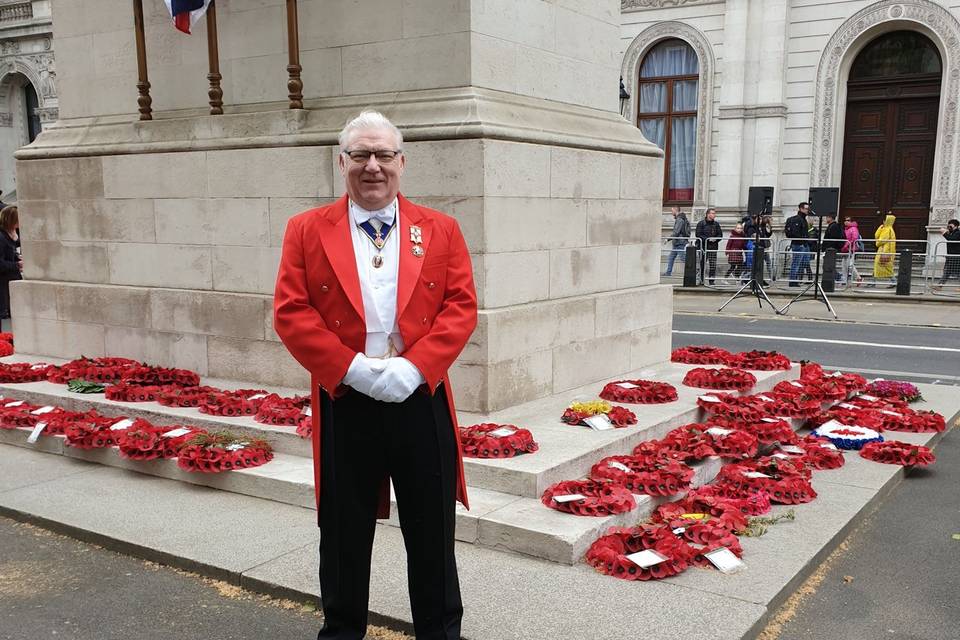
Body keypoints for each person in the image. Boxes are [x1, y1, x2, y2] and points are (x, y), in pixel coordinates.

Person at [273, 111, 477, 640]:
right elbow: (291, 312)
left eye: (383, 154)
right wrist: (354, 370)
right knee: (343, 535)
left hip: (418, 397)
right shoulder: (305, 229)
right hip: (346, 400)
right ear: (341, 162)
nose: (372, 166)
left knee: (432, 533)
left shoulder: (441, 229)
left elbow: (461, 307)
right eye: (360, 155)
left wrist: (415, 368)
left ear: (401, 162)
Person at [0, 205, 22, 324]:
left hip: (12, 278)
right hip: (4, 284)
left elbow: (10, 253)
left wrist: (16, 258)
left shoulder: (11, 232)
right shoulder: (1, 238)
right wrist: (17, 264)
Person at [785, 202, 812, 286]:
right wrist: (803, 240)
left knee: (803, 262)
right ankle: (793, 281)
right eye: (806, 209)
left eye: (808, 209)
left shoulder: (803, 219)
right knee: (796, 263)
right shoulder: (798, 219)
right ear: (801, 209)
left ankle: (796, 279)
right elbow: (796, 233)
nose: (808, 210)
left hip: (803, 244)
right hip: (798, 244)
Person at [695, 208, 722, 285]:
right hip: (703, 247)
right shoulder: (701, 223)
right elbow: (698, 234)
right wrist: (708, 239)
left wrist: (715, 239)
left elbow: (720, 235)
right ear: (708, 214)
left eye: (714, 213)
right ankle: (701, 280)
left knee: (713, 264)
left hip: (713, 247)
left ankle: (711, 280)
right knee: (702, 264)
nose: (714, 215)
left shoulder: (716, 224)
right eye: (713, 213)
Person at [663, 206, 690, 276]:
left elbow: (676, 232)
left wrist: (668, 239)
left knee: (683, 258)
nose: (671, 212)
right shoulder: (681, 218)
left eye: (672, 211)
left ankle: (694, 271)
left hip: (680, 242)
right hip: (677, 242)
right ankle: (668, 272)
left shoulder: (679, 219)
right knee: (671, 257)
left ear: (676, 210)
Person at [873, 213, 897, 285]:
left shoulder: (887, 229)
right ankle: (893, 281)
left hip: (883, 251)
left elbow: (881, 240)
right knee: (886, 266)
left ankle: (893, 281)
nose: (883, 222)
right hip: (887, 251)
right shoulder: (890, 229)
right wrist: (880, 228)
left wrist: (877, 243)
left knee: (879, 265)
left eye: (884, 220)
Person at [936, 219, 960, 286]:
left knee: (950, 271)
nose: (949, 227)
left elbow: (951, 239)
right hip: (951, 256)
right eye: (948, 225)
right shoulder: (953, 232)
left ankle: (940, 285)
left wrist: (944, 233)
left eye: (951, 226)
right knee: (947, 271)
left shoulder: (958, 232)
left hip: (956, 256)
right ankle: (940, 286)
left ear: (956, 226)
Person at [842, 217, 863, 285]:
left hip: (851, 249)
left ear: (851, 221)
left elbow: (854, 238)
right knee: (844, 265)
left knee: (849, 264)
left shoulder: (853, 228)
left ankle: (858, 277)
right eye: (845, 220)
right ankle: (844, 280)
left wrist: (847, 244)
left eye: (848, 220)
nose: (846, 222)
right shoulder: (846, 229)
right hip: (845, 249)